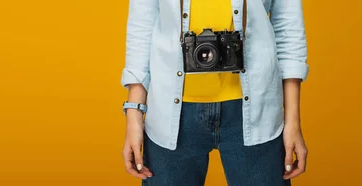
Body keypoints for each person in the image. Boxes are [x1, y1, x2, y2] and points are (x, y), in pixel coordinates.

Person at [120, 0, 308, 185]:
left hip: (256, 110)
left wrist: (293, 121)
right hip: (170, 112)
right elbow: (142, 27)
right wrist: (134, 114)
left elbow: (288, 29)